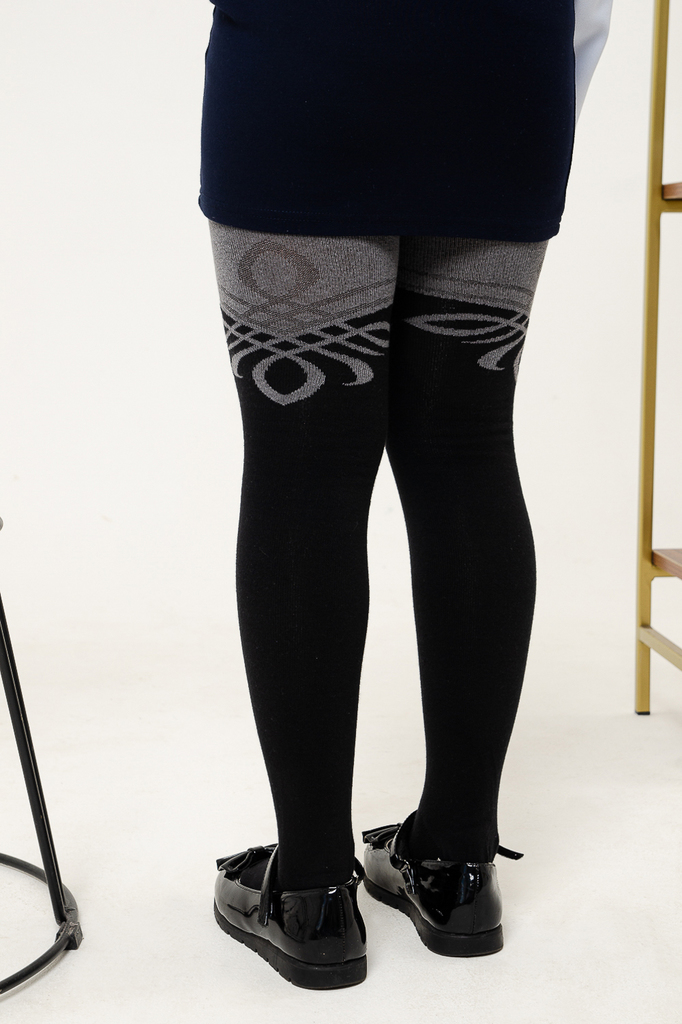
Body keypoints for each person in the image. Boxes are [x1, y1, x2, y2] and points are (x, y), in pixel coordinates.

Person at [199, 0, 613, 990]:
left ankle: (310, 891)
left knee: (303, 470)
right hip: (504, 64)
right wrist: (535, 79)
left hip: (306, 54)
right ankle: (457, 865)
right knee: (468, 450)